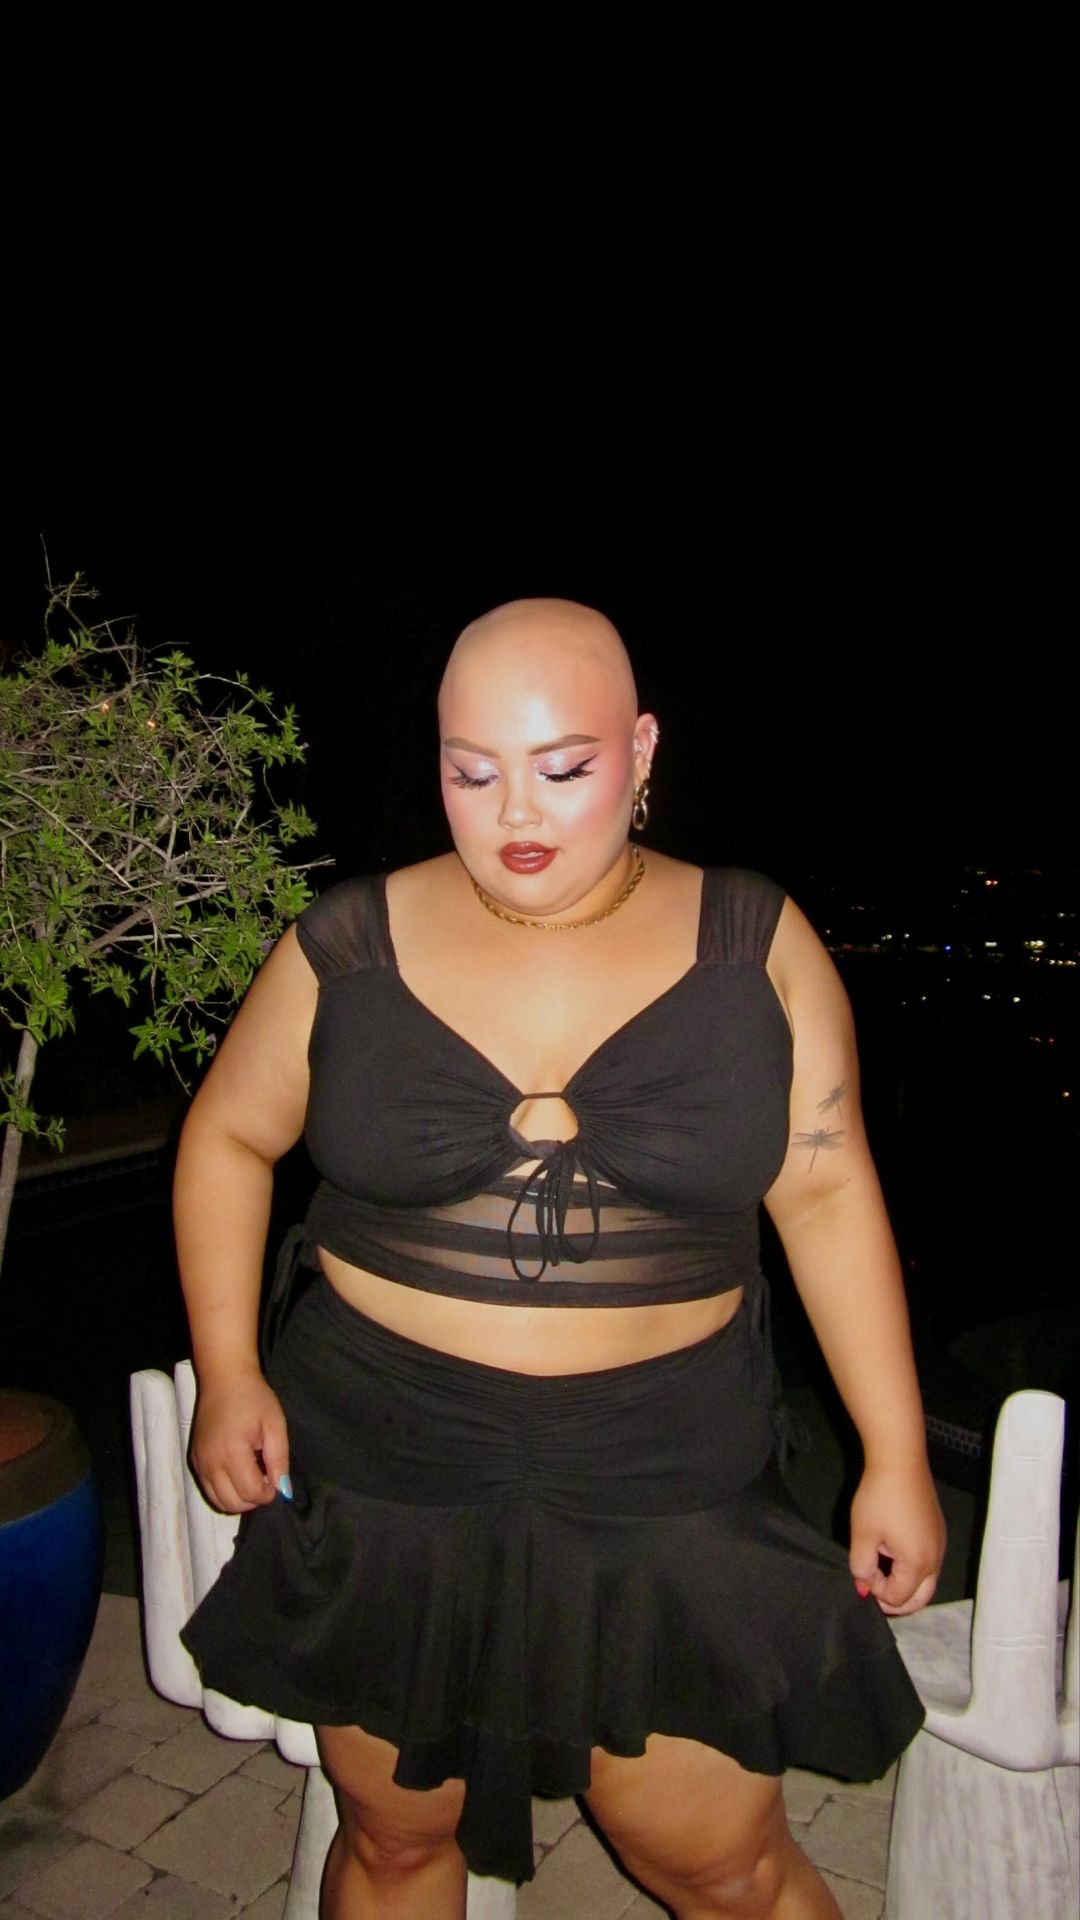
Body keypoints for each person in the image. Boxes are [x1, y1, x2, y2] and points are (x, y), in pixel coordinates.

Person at [177, 598, 945, 1920]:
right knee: (395, 1841)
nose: (514, 814)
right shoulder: (350, 940)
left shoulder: (754, 941)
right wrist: (229, 1368)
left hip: (665, 1460)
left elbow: (825, 1195)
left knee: (724, 1864)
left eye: (563, 767)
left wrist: (895, 1453)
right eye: (471, 772)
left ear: (640, 750)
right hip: (384, 1451)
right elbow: (229, 1137)